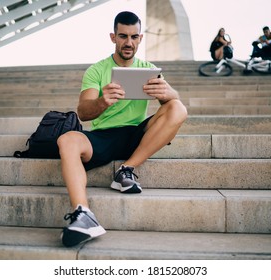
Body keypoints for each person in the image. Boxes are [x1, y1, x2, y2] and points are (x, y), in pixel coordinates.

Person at [57, 11, 188, 247]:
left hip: (137, 135)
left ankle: (127, 170)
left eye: (134, 37)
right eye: (123, 36)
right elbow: (83, 112)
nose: (128, 42)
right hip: (103, 136)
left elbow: (171, 107)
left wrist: (170, 94)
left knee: (178, 107)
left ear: (140, 39)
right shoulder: (96, 71)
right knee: (67, 140)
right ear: (113, 37)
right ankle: (83, 214)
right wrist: (102, 101)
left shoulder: (149, 69)